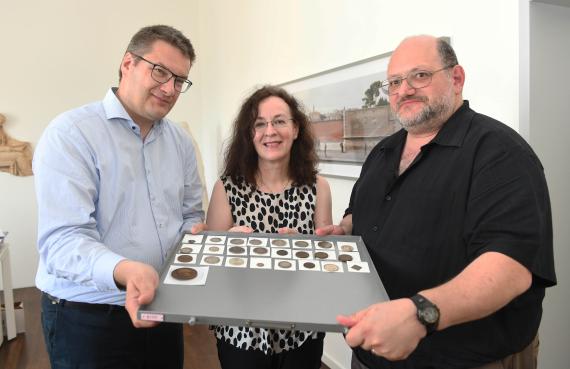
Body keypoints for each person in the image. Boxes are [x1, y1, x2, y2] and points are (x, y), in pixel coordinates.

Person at [317, 35, 556, 369]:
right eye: (395, 82)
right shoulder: (383, 152)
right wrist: (342, 231)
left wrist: (420, 314)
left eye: (420, 76)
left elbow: (510, 268)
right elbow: (362, 213)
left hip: (464, 359)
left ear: (456, 78)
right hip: (373, 352)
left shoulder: (501, 153)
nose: (404, 90)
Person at [33, 25, 204, 369]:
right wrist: (126, 270)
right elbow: (63, 241)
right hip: (87, 318)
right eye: (160, 71)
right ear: (128, 63)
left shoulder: (181, 142)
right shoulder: (71, 134)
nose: (170, 88)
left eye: (179, 81)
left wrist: (199, 243)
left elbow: (189, 214)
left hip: (161, 306)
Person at [205, 85, 333, 369]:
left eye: (279, 121)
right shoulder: (226, 189)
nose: (270, 131)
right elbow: (210, 266)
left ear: (296, 129)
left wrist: (309, 249)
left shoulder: (318, 188)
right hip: (241, 329)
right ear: (248, 134)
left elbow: (327, 265)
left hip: (303, 329)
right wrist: (225, 243)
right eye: (259, 124)